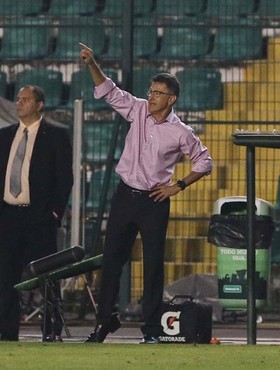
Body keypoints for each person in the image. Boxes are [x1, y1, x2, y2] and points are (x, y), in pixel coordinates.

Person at [80, 45, 213, 344]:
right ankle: (104, 322)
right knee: (112, 261)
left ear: (171, 99)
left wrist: (177, 186)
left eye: (156, 92)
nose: (150, 96)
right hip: (124, 196)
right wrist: (92, 63)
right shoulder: (137, 109)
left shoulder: (182, 132)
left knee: (153, 266)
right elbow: (109, 90)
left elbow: (205, 162)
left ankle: (152, 330)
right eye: (150, 90)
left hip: (154, 201)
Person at [0, 85, 73, 342]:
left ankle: (51, 331)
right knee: (5, 275)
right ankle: (6, 332)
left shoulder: (56, 135)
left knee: (47, 276)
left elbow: (65, 179)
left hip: (40, 218)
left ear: (40, 104)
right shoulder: (5, 135)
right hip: (8, 217)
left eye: (26, 99)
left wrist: (54, 214)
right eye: (18, 99)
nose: (19, 103)